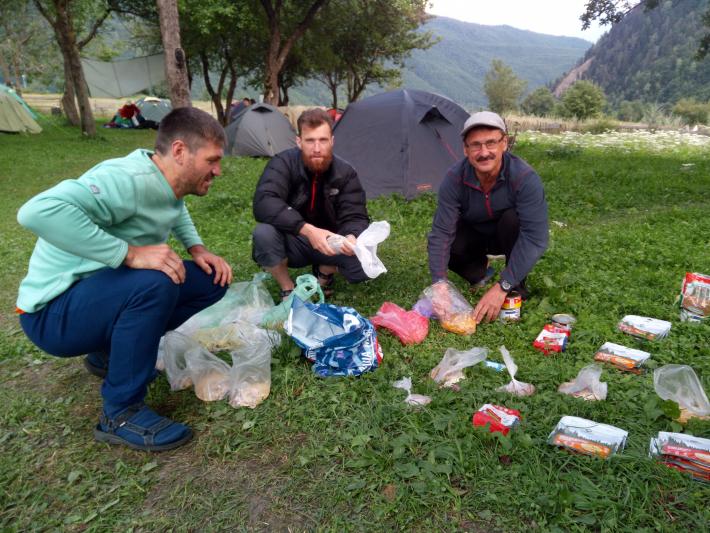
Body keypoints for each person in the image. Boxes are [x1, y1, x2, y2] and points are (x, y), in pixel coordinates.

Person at [15, 107, 233, 452]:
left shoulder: (166, 181)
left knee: (211, 280)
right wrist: (129, 254)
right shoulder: (125, 180)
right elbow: (35, 211)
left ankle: (110, 354)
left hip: (92, 298)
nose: (218, 170)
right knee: (155, 283)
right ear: (179, 151)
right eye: (212, 160)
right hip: (49, 315)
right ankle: (120, 413)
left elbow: (175, 206)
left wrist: (197, 247)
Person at [427, 111, 549, 323]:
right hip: (474, 234)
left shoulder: (524, 177)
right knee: (450, 237)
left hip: (508, 234)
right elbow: (441, 233)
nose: (484, 152)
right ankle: (479, 275)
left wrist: (503, 286)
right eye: (475, 145)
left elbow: (535, 238)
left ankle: (513, 287)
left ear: (504, 143)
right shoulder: (454, 178)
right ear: (465, 149)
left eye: (491, 143)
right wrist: (439, 284)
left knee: (514, 220)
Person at [252, 108, 369, 298]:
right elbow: (264, 201)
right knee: (263, 233)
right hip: (294, 240)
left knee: (363, 262)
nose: (317, 148)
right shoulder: (282, 163)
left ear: (332, 141)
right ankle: (287, 288)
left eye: (323, 140)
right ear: (299, 141)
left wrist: (352, 236)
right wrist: (307, 230)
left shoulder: (346, 172)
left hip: (332, 242)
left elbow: (355, 215)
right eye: (310, 140)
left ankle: (325, 273)